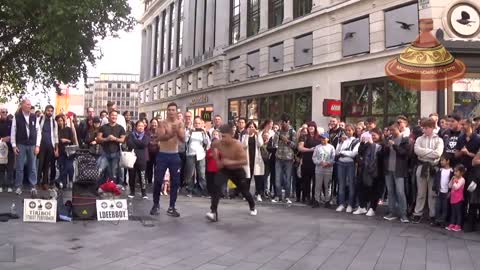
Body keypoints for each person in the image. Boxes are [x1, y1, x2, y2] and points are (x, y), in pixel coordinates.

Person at [206, 124, 257, 222]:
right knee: (216, 187)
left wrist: (230, 162)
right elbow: (212, 146)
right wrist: (217, 160)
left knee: (244, 191)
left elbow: (244, 161)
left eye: (225, 136)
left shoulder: (237, 145)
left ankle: (252, 206)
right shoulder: (218, 143)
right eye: (222, 136)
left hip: (237, 170)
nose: (223, 139)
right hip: (225, 169)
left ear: (231, 135)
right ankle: (213, 212)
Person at [151, 102, 185, 217]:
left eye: (173, 110)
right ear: (167, 111)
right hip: (163, 154)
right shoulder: (162, 123)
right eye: (169, 110)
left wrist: (178, 132)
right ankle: (156, 205)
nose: (171, 112)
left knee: (175, 182)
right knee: (158, 181)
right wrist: (171, 133)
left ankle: (172, 207)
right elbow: (160, 137)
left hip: (174, 155)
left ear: (176, 111)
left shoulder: (180, 123)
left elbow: (183, 139)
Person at [412, 118, 444, 223]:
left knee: (432, 193)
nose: (424, 130)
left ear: (432, 128)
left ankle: (433, 214)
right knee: (420, 192)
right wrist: (431, 152)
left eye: (426, 128)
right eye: (423, 128)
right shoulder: (419, 139)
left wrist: (424, 152)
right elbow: (417, 151)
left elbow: (438, 154)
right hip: (422, 167)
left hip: (433, 167)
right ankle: (418, 213)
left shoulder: (439, 140)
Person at [11, 99, 41, 196]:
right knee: (19, 166)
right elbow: (13, 131)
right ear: (23, 105)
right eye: (28, 104)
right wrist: (14, 145)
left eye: (30, 105)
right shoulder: (17, 116)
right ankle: (19, 186)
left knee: (32, 166)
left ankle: (33, 186)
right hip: (21, 144)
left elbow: (38, 132)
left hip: (32, 144)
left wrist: (37, 145)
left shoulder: (34, 117)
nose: (29, 106)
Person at [382, 124, 410, 223]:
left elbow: (404, 153)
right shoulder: (388, 139)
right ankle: (392, 212)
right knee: (390, 191)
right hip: (388, 169)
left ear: (399, 129)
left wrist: (394, 145)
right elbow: (383, 153)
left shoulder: (404, 139)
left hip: (399, 170)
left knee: (400, 192)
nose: (392, 132)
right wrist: (387, 146)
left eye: (393, 130)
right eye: (390, 130)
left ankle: (403, 214)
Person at [354, 128, 384, 217]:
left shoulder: (382, 144)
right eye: (371, 135)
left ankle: (372, 208)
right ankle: (362, 206)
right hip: (365, 170)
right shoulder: (368, 144)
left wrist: (372, 145)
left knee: (374, 190)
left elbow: (381, 156)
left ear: (379, 135)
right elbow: (360, 152)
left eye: (374, 135)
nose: (373, 137)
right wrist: (362, 143)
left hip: (377, 171)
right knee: (361, 187)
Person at [271, 114, 297, 204]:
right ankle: (278, 196)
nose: (282, 125)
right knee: (277, 178)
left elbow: (295, 145)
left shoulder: (292, 132)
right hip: (279, 157)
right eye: (281, 123)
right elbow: (274, 144)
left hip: (289, 158)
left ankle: (287, 197)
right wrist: (277, 135)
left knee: (287, 178)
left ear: (288, 122)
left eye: (284, 123)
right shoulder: (278, 131)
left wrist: (287, 141)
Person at [96, 110, 126, 184]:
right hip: (105, 153)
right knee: (100, 169)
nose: (114, 117)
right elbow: (98, 139)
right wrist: (106, 139)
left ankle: (114, 188)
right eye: (112, 115)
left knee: (114, 172)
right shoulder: (103, 127)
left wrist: (115, 139)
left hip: (116, 153)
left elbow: (123, 140)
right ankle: (98, 186)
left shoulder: (120, 128)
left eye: (115, 115)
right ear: (108, 116)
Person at [335, 124, 360, 213]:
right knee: (341, 184)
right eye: (346, 130)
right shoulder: (342, 140)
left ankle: (350, 204)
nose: (348, 132)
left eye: (350, 130)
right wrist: (341, 142)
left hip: (350, 164)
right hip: (341, 163)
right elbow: (337, 152)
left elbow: (353, 153)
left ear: (353, 131)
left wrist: (343, 152)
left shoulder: (356, 141)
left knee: (351, 185)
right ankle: (341, 204)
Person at [184, 116, 210, 197]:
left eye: (198, 123)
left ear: (201, 124)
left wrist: (205, 133)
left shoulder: (203, 132)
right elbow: (185, 140)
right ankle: (190, 190)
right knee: (190, 174)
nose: (197, 125)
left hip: (201, 155)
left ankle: (203, 190)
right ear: (193, 123)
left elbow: (208, 143)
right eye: (195, 123)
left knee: (201, 173)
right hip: (191, 154)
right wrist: (189, 132)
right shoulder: (190, 131)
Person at [298, 121, 322, 204]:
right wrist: (310, 150)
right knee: (306, 181)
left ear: (315, 127)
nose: (311, 127)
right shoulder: (303, 137)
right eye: (309, 126)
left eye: (312, 126)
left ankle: (314, 198)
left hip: (316, 163)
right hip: (306, 161)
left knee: (316, 182)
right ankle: (306, 197)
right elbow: (300, 148)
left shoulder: (319, 137)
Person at [37, 105, 59, 190]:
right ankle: (37, 182)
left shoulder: (54, 122)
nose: (50, 112)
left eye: (51, 111)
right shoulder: (40, 120)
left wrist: (56, 148)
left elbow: (56, 135)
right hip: (41, 145)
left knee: (47, 165)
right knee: (40, 164)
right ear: (45, 111)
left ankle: (45, 182)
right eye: (48, 110)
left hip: (50, 145)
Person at [127, 120, 150, 199]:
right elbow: (130, 144)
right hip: (132, 159)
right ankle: (132, 191)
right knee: (131, 176)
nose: (141, 127)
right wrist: (138, 143)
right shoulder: (131, 135)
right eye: (139, 126)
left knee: (142, 176)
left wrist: (135, 142)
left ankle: (144, 193)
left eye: (142, 126)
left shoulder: (146, 136)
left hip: (142, 158)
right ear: (136, 127)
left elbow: (144, 144)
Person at [312, 132, 336, 208]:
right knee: (318, 185)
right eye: (321, 138)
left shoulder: (331, 147)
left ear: (327, 139)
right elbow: (314, 157)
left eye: (324, 138)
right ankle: (316, 200)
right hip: (319, 169)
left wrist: (328, 163)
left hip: (328, 170)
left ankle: (327, 201)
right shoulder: (317, 147)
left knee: (327, 186)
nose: (322, 139)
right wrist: (319, 162)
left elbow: (333, 158)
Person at [243, 121, 265, 202]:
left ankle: (258, 194)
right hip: (248, 160)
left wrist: (258, 134)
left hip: (256, 160)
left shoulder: (257, 136)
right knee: (247, 178)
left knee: (258, 178)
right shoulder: (244, 136)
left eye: (253, 127)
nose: (251, 128)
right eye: (249, 127)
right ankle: (246, 194)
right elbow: (244, 146)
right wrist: (247, 135)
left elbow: (260, 144)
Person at [433, 156, 453, 227]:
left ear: (448, 161)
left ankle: (442, 221)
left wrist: (450, 192)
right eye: (440, 161)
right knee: (438, 207)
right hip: (439, 191)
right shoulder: (439, 170)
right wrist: (435, 190)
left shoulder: (451, 171)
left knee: (445, 207)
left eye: (443, 160)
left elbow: (452, 183)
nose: (441, 162)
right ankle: (437, 220)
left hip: (446, 192)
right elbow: (436, 181)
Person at [56, 114, 75, 189]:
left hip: (69, 150)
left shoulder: (68, 129)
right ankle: (63, 183)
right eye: (58, 121)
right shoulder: (56, 130)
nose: (60, 122)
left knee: (69, 166)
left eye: (61, 121)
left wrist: (66, 140)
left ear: (64, 121)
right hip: (60, 150)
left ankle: (66, 180)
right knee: (61, 166)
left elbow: (72, 140)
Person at [446, 164, 466, 232]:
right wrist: (452, 180)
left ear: (461, 172)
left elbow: (457, 187)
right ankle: (452, 223)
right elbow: (449, 186)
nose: (455, 173)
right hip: (453, 198)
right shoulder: (454, 178)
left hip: (459, 199)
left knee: (458, 212)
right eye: (454, 171)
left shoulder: (462, 179)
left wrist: (454, 181)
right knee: (453, 212)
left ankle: (458, 225)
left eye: (456, 171)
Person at [0, 106, 14, 192]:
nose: (5, 113)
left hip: (10, 148)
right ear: (0, 113)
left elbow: (15, 133)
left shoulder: (11, 123)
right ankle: (1, 185)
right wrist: (2, 139)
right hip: (1, 149)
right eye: (3, 112)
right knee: (1, 167)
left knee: (10, 168)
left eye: (6, 112)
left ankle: (9, 185)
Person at [206, 130, 220, 196]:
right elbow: (207, 157)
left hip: (217, 169)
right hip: (210, 169)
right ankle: (210, 193)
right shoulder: (209, 150)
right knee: (210, 182)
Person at [146, 118, 159, 184]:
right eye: (153, 123)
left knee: (157, 167)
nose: (154, 124)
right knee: (149, 167)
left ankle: (157, 180)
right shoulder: (147, 132)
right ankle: (149, 181)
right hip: (149, 152)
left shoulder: (160, 131)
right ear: (150, 124)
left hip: (158, 152)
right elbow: (146, 140)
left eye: (155, 123)